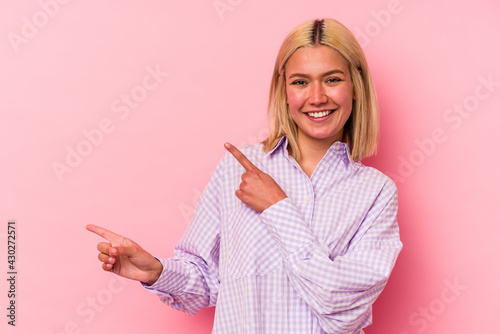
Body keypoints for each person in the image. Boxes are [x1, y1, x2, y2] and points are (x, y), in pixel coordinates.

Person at [87, 18, 403, 333]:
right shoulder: (237, 170)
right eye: (300, 82)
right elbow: (205, 281)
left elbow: (340, 307)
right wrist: (155, 272)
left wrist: (278, 208)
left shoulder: (375, 193)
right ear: (284, 90)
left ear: (355, 87)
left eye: (332, 80)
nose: (317, 97)